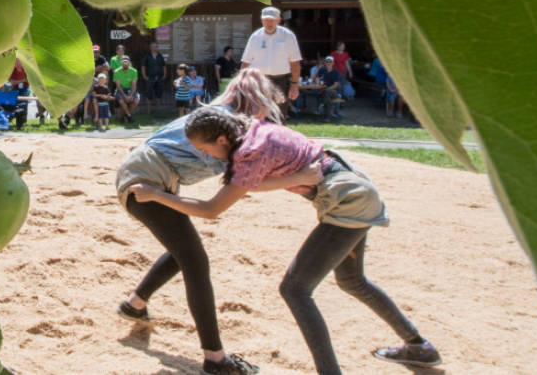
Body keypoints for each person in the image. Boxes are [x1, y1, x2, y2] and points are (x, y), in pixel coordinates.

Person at [128, 107, 442, 373]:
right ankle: (419, 346)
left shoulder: (248, 154)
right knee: (352, 281)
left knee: (295, 289)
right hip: (354, 188)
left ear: (222, 139)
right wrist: (295, 179)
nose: (202, 154)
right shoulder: (253, 132)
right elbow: (254, 184)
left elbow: (211, 209)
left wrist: (156, 194)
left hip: (345, 200)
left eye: (205, 149)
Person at [115, 69, 285, 375]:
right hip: (147, 176)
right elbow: (220, 199)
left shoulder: (220, 117)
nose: (267, 112)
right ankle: (215, 359)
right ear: (254, 100)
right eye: (266, 104)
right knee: (195, 260)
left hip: (150, 171)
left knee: (183, 252)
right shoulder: (227, 124)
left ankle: (135, 304)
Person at [240, 6, 302, 120]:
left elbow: (295, 62)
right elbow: (246, 62)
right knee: (257, 115)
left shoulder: (288, 36)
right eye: (266, 20)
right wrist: (242, 83)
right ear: (261, 20)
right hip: (259, 81)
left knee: (279, 115)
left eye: (272, 20)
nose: (269, 23)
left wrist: (294, 85)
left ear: (278, 20)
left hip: (281, 81)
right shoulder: (255, 37)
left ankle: (277, 137)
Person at [141, 42, 166, 114]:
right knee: (149, 93)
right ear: (150, 48)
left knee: (159, 92)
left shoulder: (160, 56)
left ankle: (159, 109)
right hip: (150, 77)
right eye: (153, 47)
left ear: (157, 48)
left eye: (156, 47)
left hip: (159, 77)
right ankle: (149, 110)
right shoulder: (147, 56)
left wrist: (164, 74)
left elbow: (164, 66)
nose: (154, 48)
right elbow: (143, 66)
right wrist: (144, 76)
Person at [114, 56, 140, 123]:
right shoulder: (116, 71)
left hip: (130, 90)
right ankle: (129, 116)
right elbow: (118, 86)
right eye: (124, 62)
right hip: (121, 90)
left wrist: (131, 95)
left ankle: (123, 116)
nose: (125, 64)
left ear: (129, 63)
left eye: (126, 62)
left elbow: (134, 85)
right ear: (121, 63)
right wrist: (125, 96)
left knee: (136, 100)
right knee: (122, 101)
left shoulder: (134, 71)